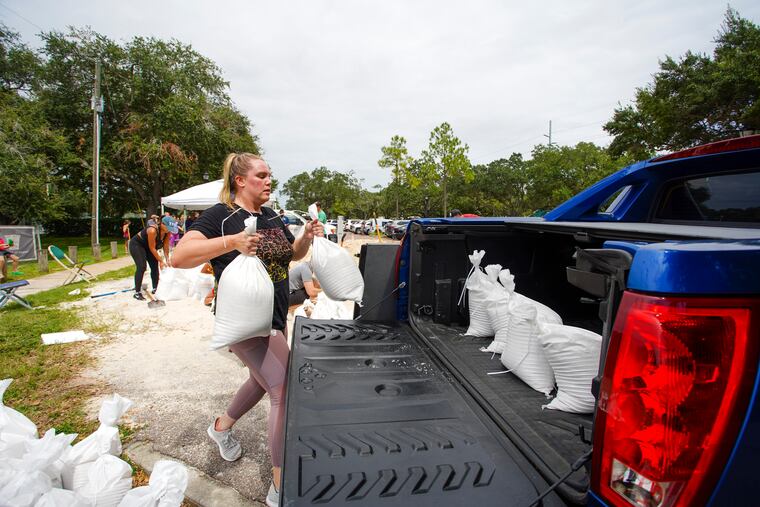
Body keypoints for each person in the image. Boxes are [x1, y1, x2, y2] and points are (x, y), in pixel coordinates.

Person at [171, 152, 324, 507]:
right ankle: (279, 483)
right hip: (241, 320)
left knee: (262, 378)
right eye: (262, 175)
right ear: (240, 180)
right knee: (283, 386)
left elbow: (292, 255)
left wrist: (305, 236)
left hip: (272, 316)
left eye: (270, 175)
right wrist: (232, 242)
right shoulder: (221, 216)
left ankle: (220, 427)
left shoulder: (270, 215)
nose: (269, 181)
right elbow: (180, 256)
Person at [128, 218, 169, 300]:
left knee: (154, 265)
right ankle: (137, 292)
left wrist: (167, 259)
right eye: (168, 227)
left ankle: (155, 288)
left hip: (149, 247)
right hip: (137, 245)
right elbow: (152, 248)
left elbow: (165, 247)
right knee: (142, 266)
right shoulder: (152, 231)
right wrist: (161, 260)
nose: (169, 229)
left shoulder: (167, 233)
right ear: (162, 224)